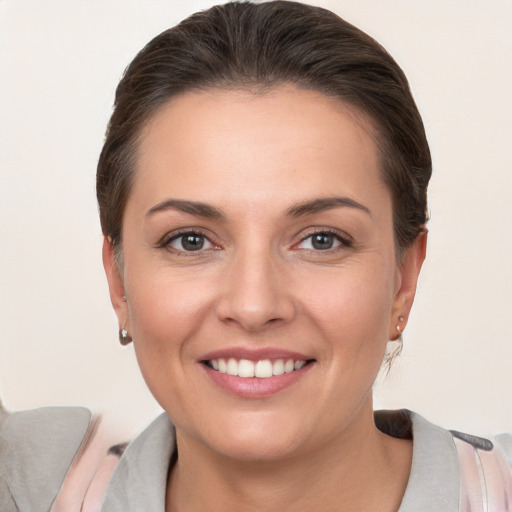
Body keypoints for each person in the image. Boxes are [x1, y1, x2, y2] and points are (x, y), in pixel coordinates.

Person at [0, 1, 511, 511]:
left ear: (403, 278)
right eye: (191, 240)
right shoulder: (24, 483)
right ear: (119, 280)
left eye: (321, 240)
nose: (253, 305)